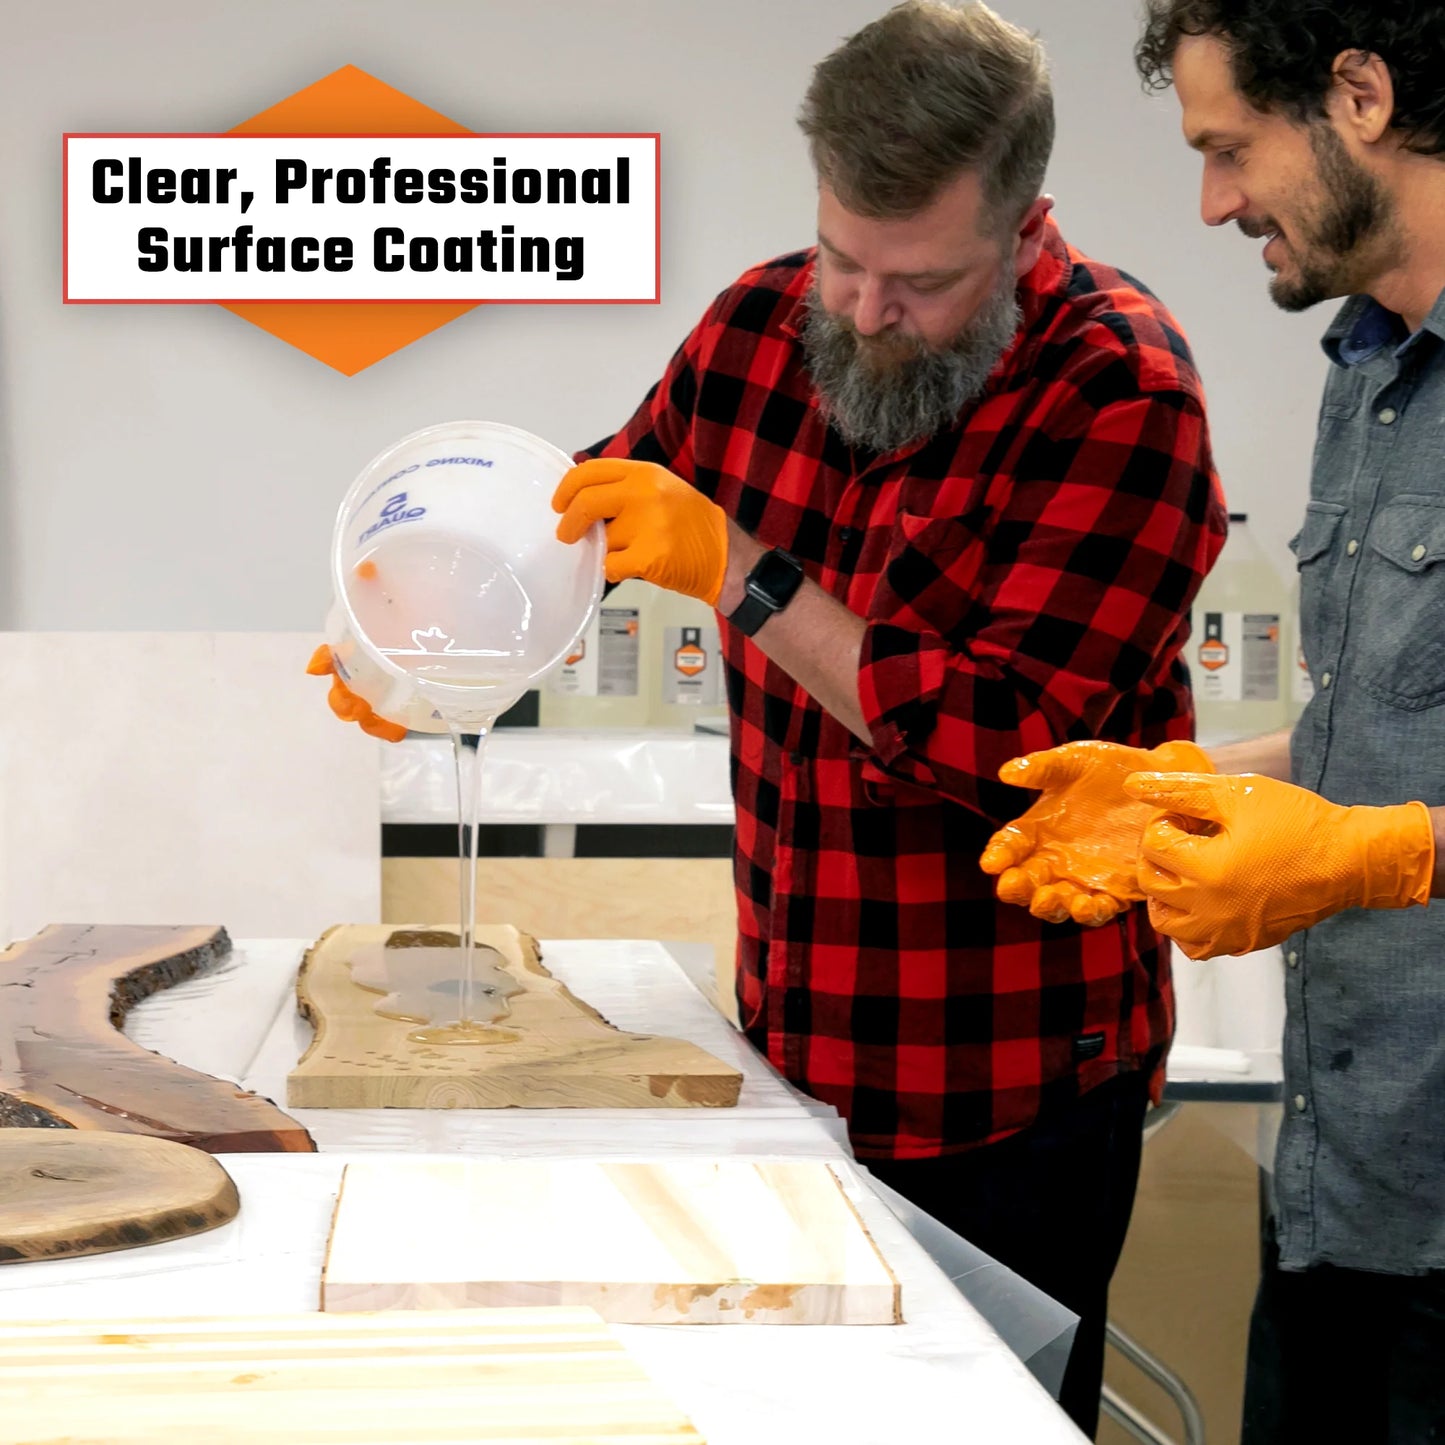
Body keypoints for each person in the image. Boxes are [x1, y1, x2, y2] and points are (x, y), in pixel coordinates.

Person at [318, 4, 1225, 1433]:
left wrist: (740, 570)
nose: (863, 311)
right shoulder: (754, 326)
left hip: (1010, 1093)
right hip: (790, 1060)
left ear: (1021, 223)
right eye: (840, 257)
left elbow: (1007, 749)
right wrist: (422, 643)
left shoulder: (1118, 390)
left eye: (915, 280)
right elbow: (573, 531)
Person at [983, 4, 1445, 1439]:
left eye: (1230, 148)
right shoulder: (1371, 374)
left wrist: (1384, 858)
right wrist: (1179, 782)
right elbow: (1384, 740)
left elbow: (1384, 822)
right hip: (1350, 1188)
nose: (1213, 201)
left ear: (1357, 95)